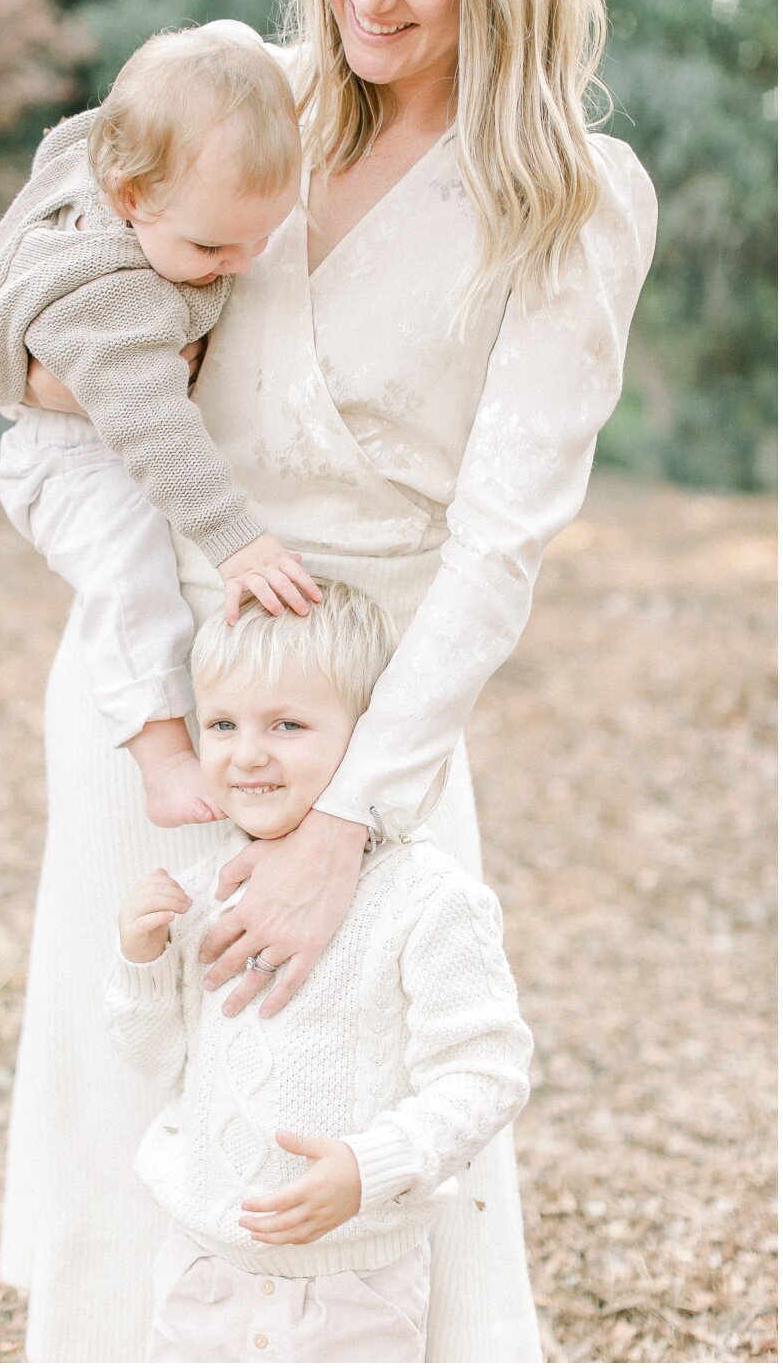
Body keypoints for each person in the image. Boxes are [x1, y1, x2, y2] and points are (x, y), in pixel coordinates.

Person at [0, 0, 657, 1365]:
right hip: (157, 696)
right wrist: (35, 366)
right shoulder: (234, 99)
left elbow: (503, 551)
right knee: (136, 1080)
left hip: (376, 732)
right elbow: (42, 294)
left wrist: (345, 823)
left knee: (352, 1121)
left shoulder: (572, 201)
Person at [109, 585, 532, 1365]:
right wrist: (142, 966)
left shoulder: (428, 900)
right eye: (224, 722)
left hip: (354, 1281)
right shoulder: (206, 891)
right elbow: (154, 1068)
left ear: (369, 737)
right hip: (203, 1267)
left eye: (288, 724)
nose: (247, 752)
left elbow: (487, 1071)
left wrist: (373, 1165)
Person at [0, 24, 319, 831]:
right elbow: (152, 423)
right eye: (212, 243)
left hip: (95, 437)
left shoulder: (131, 165)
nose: (238, 261)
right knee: (130, 570)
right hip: (72, 460)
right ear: (130, 196)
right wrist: (235, 537)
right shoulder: (107, 288)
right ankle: (160, 752)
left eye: (259, 238)